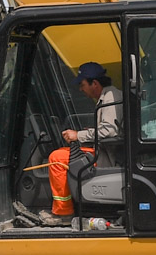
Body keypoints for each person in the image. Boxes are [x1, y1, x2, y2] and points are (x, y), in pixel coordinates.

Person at [46, 62, 121, 223]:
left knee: (57, 158)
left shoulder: (110, 98)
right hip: (103, 150)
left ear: (95, 83)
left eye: (82, 84)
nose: (81, 89)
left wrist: (78, 135)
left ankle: (63, 213)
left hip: (106, 156)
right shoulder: (107, 96)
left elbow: (109, 131)